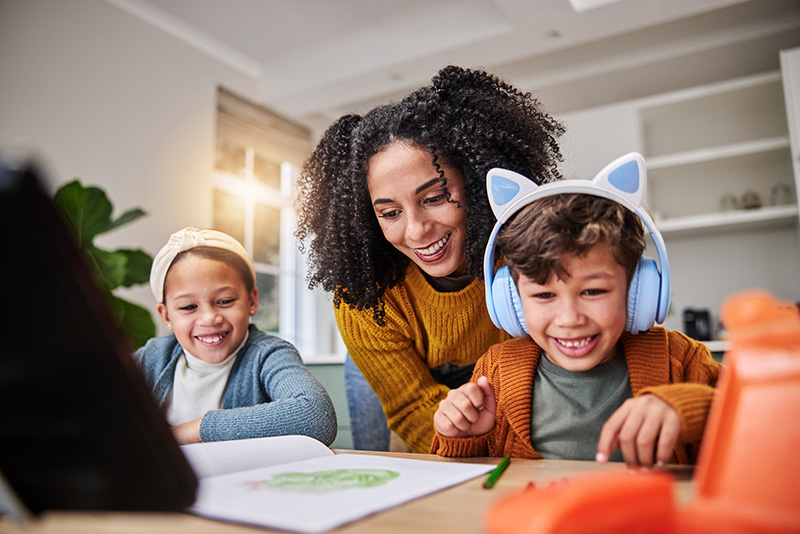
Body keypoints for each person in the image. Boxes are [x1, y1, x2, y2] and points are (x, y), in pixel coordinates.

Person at [295, 65, 565, 453]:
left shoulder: (525, 257)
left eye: (435, 198)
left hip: (504, 374)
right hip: (412, 379)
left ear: (475, 181)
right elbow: (410, 408)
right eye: (390, 213)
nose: (417, 230)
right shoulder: (364, 293)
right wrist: (461, 442)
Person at [431, 153, 722, 467]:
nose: (570, 319)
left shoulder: (680, 360)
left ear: (637, 289)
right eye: (544, 295)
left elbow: (755, 419)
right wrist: (461, 437)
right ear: (511, 299)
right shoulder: (496, 371)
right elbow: (461, 491)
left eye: (593, 291)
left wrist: (688, 409)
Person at [133, 227, 337, 445]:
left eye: (225, 301)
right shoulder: (152, 358)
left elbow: (316, 416)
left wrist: (194, 430)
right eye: (188, 306)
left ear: (252, 301)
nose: (209, 318)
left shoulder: (268, 355)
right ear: (166, 316)